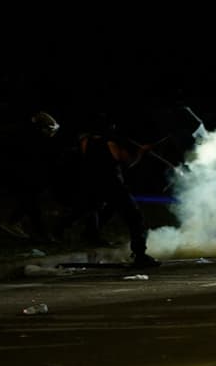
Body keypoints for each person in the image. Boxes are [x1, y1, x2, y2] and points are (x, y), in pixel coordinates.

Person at [56, 113, 161, 268]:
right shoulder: (111, 143)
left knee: (90, 208)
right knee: (136, 219)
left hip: (93, 183)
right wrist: (141, 153)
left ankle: (66, 229)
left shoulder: (86, 141)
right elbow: (127, 163)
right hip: (113, 185)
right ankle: (140, 255)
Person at [0, 110, 65, 242]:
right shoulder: (31, 140)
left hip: (24, 176)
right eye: (49, 129)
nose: (52, 133)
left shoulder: (32, 138)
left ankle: (15, 223)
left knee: (29, 203)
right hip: (22, 176)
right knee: (31, 204)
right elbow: (30, 161)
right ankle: (39, 233)